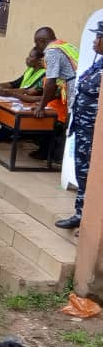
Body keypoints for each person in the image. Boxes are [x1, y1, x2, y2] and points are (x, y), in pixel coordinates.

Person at [56, 22, 103, 229]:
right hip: (84, 130)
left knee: (92, 176)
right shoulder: (98, 64)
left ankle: (90, 222)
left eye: (98, 37)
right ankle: (80, 214)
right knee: (82, 172)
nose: (94, 41)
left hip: (95, 134)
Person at [32, 26, 79, 161]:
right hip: (80, 87)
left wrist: (41, 106)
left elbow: (51, 82)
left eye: (36, 42)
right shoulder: (65, 45)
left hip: (74, 91)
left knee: (71, 126)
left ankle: (63, 160)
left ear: (42, 40)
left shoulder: (52, 51)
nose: (36, 46)